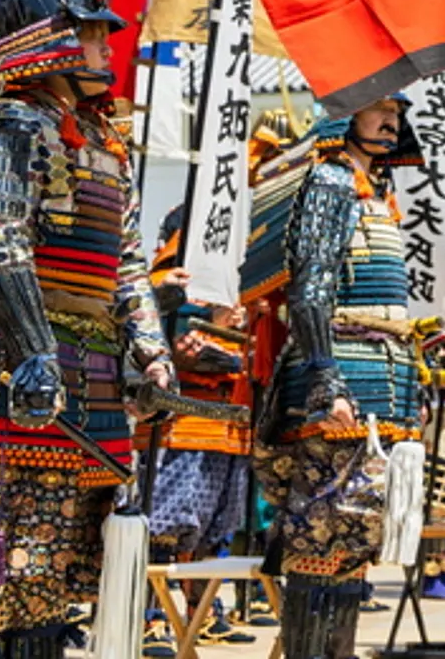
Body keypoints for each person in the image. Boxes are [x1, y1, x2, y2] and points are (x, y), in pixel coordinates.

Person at [0, 0, 175, 658]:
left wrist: (153, 353)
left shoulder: (105, 142)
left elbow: (126, 262)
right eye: (90, 31)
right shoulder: (10, 121)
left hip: (84, 374)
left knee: (49, 573)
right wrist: (33, 348)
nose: (105, 46)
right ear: (51, 41)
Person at [250, 95, 429, 659]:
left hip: (383, 381)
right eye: (377, 109)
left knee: (355, 541)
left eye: (396, 112)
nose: (390, 121)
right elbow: (311, 290)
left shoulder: (378, 192)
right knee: (321, 536)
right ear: (343, 118)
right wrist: (326, 378)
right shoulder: (329, 182)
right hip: (342, 381)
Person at [140, 206, 255, 655]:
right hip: (183, 424)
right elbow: (182, 345)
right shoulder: (173, 271)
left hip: (228, 426)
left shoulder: (236, 270)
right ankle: (153, 620)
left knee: (216, 531)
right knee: (168, 528)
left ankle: (202, 614)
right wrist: (233, 350)